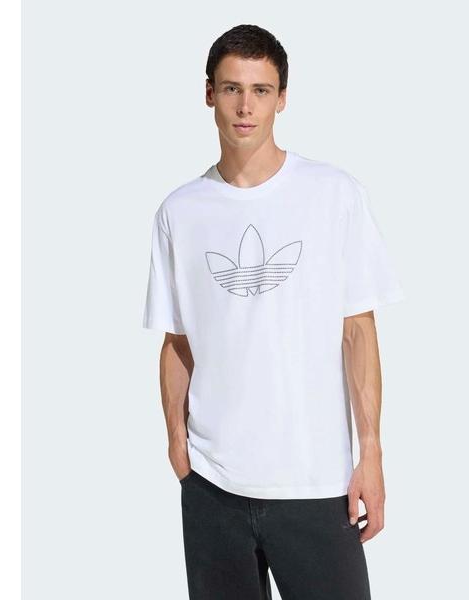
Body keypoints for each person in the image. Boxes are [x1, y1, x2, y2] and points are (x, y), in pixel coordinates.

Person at [142, 23, 405, 600]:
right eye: (232, 88)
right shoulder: (179, 211)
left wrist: (372, 452)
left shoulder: (333, 194)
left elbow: (358, 331)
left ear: (282, 98)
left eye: (261, 90)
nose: (246, 107)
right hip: (212, 485)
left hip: (315, 482)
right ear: (208, 93)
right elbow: (176, 340)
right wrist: (178, 445)